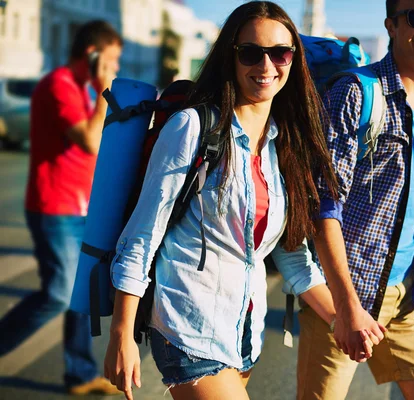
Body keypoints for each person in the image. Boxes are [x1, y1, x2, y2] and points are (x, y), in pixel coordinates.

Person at [103, 3, 372, 400]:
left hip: (244, 336)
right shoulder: (192, 128)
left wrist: (347, 318)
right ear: (231, 57)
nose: (266, 65)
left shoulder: (284, 146)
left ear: (294, 60)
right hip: (187, 326)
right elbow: (141, 237)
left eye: (279, 52)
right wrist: (121, 336)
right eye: (250, 52)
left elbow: (294, 258)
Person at [299, 0, 414, 399]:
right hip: (346, 292)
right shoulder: (356, 92)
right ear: (390, 24)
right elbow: (324, 208)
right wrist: (346, 306)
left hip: (403, 295)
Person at [0, 20, 123, 395]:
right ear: (94, 55)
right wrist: (105, 92)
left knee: (82, 294)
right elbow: (88, 140)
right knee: (57, 293)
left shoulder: (82, 91)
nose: (115, 69)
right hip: (54, 206)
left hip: (82, 206)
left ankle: (80, 373)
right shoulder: (60, 85)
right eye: (112, 61)